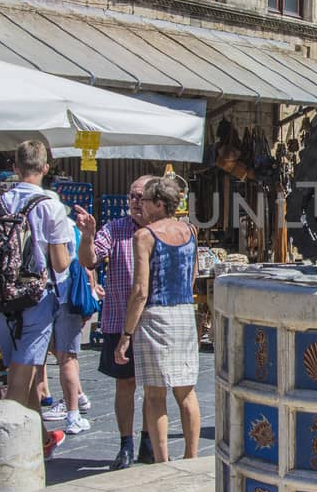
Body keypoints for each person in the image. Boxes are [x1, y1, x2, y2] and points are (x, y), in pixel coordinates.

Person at [0, 140, 73, 458]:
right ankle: (7, 448)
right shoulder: (51, 206)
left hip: (0, 298)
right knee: (23, 373)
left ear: (15, 168)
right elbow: (59, 263)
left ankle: (39, 438)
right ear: (45, 168)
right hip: (36, 298)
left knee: (20, 368)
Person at [115, 176, 201, 465]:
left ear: (159, 204)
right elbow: (192, 277)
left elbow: (140, 290)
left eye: (145, 200)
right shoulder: (190, 231)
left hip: (155, 315)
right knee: (186, 391)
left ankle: (162, 461)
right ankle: (191, 456)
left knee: (154, 394)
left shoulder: (145, 236)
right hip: (184, 313)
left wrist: (126, 335)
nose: (140, 204)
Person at [77, 174, 161, 468]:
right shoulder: (115, 229)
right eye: (132, 197)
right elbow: (89, 260)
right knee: (125, 384)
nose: (136, 203)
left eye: (142, 196)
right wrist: (87, 236)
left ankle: (149, 442)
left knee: (153, 387)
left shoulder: (162, 231)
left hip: (153, 322)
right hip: (118, 319)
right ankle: (125, 444)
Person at [43, 222, 96, 437]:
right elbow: (82, 264)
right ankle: (74, 409)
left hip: (48, 296)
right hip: (63, 297)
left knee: (59, 356)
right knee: (67, 357)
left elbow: (69, 264)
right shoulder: (69, 227)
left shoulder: (46, 227)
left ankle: (73, 406)